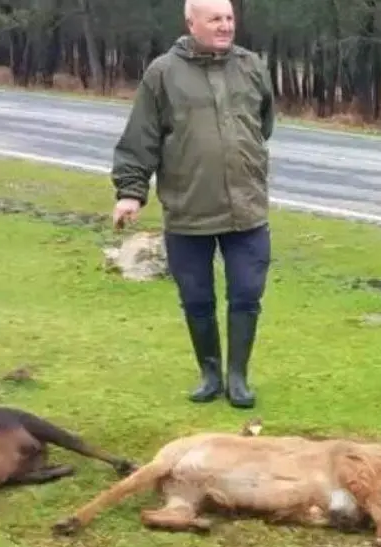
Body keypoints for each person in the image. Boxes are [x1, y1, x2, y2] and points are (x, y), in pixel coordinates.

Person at [110, 0, 274, 409]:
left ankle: (238, 377)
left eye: (230, 18)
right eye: (216, 19)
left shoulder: (252, 66)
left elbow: (264, 123)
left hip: (247, 210)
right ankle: (210, 373)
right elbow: (140, 138)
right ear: (192, 23)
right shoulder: (163, 73)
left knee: (247, 294)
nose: (225, 26)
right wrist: (130, 192)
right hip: (189, 211)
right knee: (197, 299)